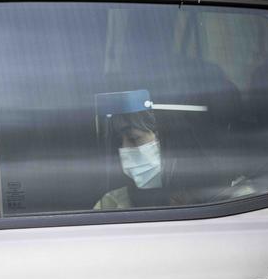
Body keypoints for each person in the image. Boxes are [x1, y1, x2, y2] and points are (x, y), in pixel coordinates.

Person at [93, 90, 255, 210]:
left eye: (134, 139)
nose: (124, 151)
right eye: (119, 142)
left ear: (168, 140)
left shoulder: (237, 203)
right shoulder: (113, 204)